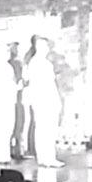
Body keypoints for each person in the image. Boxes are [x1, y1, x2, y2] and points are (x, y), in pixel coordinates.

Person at [25, 36, 63, 167]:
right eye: (45, 46)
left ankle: (48, 157)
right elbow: (39, 85)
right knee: (44, 129)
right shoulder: (36, 64)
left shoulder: (46, 63)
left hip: (48, 100)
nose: (47, 49)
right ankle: (45, 158)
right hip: (43, 101)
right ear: (39, 47)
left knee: (49, 130)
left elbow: (52, 84)